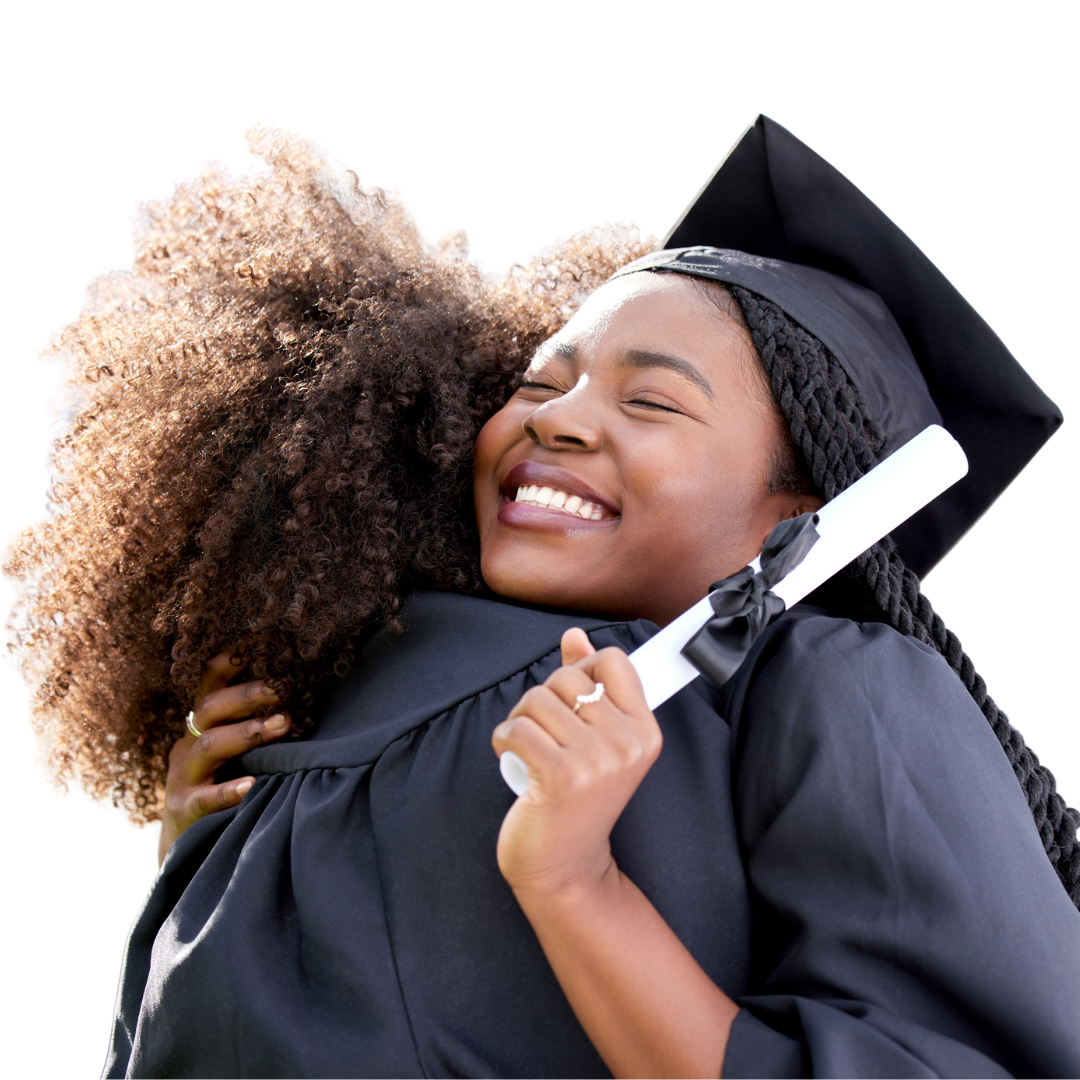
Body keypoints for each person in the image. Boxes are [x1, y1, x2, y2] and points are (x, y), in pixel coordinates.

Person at [6, 117, 1078, 1079]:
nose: (557, 419)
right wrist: (207, 862)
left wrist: (577, 886)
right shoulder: (358, 684)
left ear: (798, 516)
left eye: (652, 399)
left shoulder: (827, 690)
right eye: (536, 381)